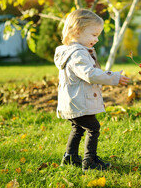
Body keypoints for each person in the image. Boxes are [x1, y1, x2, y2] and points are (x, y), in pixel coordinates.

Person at [54, 9, 130, 171]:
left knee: (78, 128)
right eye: (94, 35)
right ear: (77, 31)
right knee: (93, 128)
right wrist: (113, 78)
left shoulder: (75, 51)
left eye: (98, 35)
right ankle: (89, 160)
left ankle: (70, 156)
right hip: (79, 102)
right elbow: (89, 74)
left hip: (74, 101)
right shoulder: (77, 54)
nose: (96, 39)